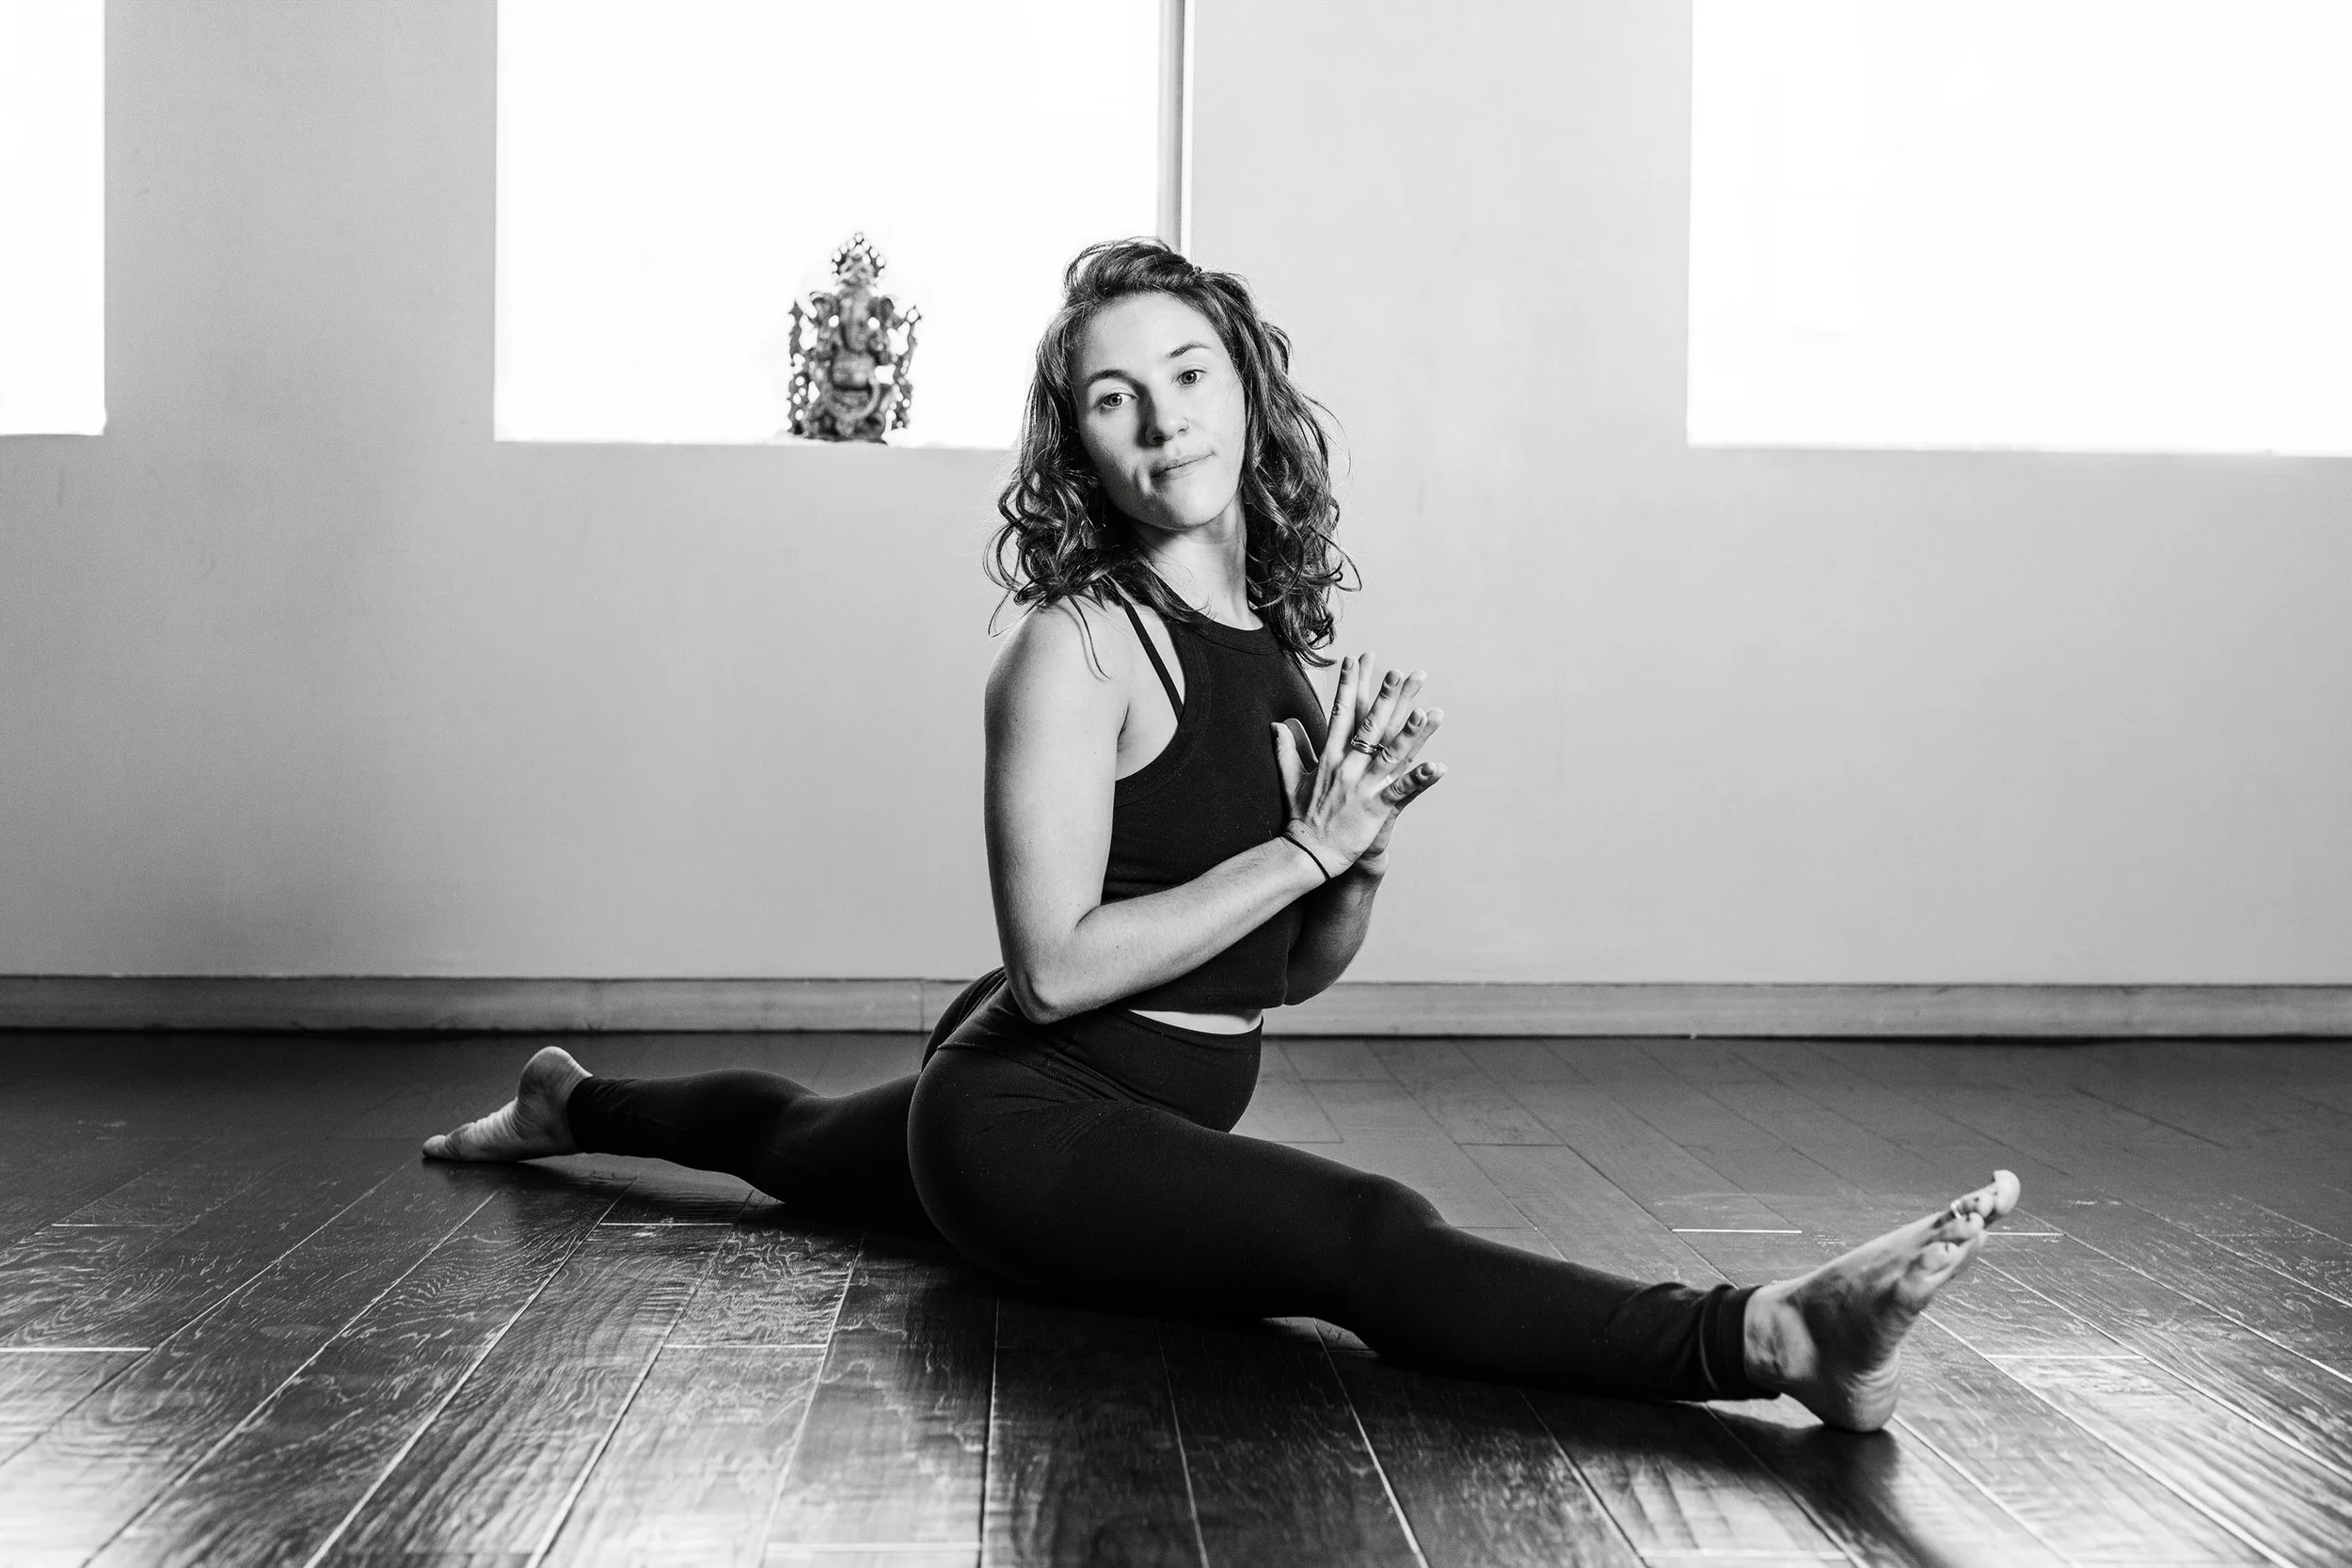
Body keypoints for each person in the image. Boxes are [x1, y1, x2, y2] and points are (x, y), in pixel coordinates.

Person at [425, 238, 2019, 1433]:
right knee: (1362, 1235)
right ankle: (1770, 1336)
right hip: (1029, 1110)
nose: (1163, 417)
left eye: (1188, 373)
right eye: (1113, 396)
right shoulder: (1073, 647)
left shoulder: (1275, 652)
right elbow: (1054, 972)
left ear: (1248, 387)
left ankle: (569, 1101)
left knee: (793, 1143)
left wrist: (1356, 862)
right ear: (1079, 446)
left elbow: (1284, 971)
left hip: (1117, 1089)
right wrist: (1307, 850)